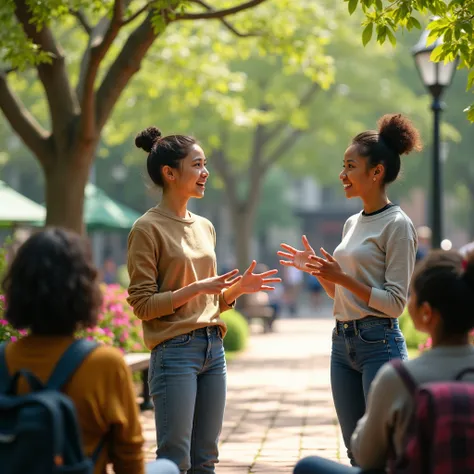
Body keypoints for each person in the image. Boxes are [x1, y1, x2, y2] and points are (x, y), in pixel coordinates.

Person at [127, 127, 281, 474]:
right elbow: (142, 305)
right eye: (196, 165)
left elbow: (208, 302)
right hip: (174, 353)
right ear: (170, 173)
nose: (205, 173)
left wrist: (237, 291)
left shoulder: (205, 227)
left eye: (205, 164)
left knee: (206, 459)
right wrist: (197, 288)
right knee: (174, 458)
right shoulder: (146, 228)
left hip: (214, 349)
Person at [278, 114, 422, 465]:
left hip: (379, 345)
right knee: (355, 450)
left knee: (381, 452)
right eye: (343, 165)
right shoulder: (352, 222)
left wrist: (340, 277)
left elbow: (394, 304)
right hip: (342, 344)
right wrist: (318, 270)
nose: (342, 174)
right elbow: (340, 295)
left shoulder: (398, 226)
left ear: (376, 172)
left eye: (350, 166)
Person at [1, 228, 178, 474]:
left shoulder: (3, 360)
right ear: (85, 289)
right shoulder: (104, 364)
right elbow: (129, 463)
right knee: (167, 467)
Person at [293, 249, 474, 473]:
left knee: (308, 467)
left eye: (412, 295)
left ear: (426, 313)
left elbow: (366, 456)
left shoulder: (398, 378)